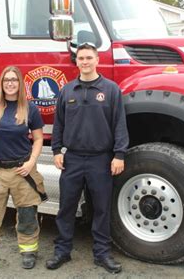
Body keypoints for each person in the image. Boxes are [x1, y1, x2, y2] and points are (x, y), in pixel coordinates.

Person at [46, 42, 129, 274]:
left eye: (88, 58)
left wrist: (119, 155)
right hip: (71, 159)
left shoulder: (111, 90)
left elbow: (119, 124)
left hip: (100, 160)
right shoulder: (67, 91)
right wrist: (56, 151)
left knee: (101, 209)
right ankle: (62, 251)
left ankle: (102, 254)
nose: (84, 62)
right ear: (77, 62)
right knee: (66, 208)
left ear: (97, 60)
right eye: (81, 58)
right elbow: (58, 124)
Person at [0, 66, 46, 275]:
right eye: (6, 80)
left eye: (14, 80)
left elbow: (39, 138)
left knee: (27, 214)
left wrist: (31, 163)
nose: (10, 83)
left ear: (20, 83)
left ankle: (29, 252)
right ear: (2, 84)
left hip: (23, 170)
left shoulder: (30, 109)